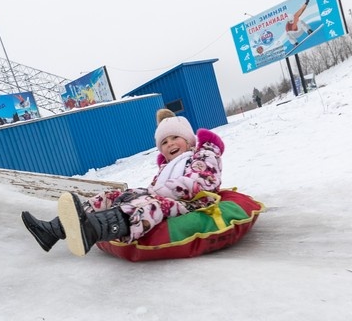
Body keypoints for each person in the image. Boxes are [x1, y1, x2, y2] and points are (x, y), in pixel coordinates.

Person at [21, 109, 224, 257]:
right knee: (112, 196)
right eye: (164, 142)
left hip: (193, 204)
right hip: (164, 197)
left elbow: (201, 183)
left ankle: (91, 230)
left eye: (175, 138)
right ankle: (53, 230)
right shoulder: (167, 166)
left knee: (149, 206)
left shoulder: (202, 155)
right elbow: (155, 188)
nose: (170, 143)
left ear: (188, 140)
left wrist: (155, 193)